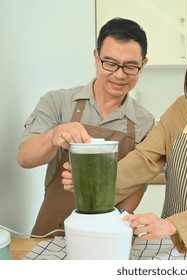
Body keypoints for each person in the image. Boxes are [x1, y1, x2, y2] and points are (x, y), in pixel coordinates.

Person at [63, 38, 187, 253]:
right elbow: (146, 158)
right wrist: (96, 183)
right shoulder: (182, 108)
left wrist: (171, 225)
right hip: (171, 237)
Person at [17, 17, 155, 237]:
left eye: (130, 66)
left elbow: (138, 184)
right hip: (54, 230)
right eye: (109, 63)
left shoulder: (145, 122)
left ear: (143, 65)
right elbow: (25, 158)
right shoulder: (57, 102)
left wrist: (111, 224)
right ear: (95, 57)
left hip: (108, 234)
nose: (119, 74)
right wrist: (54, 135)